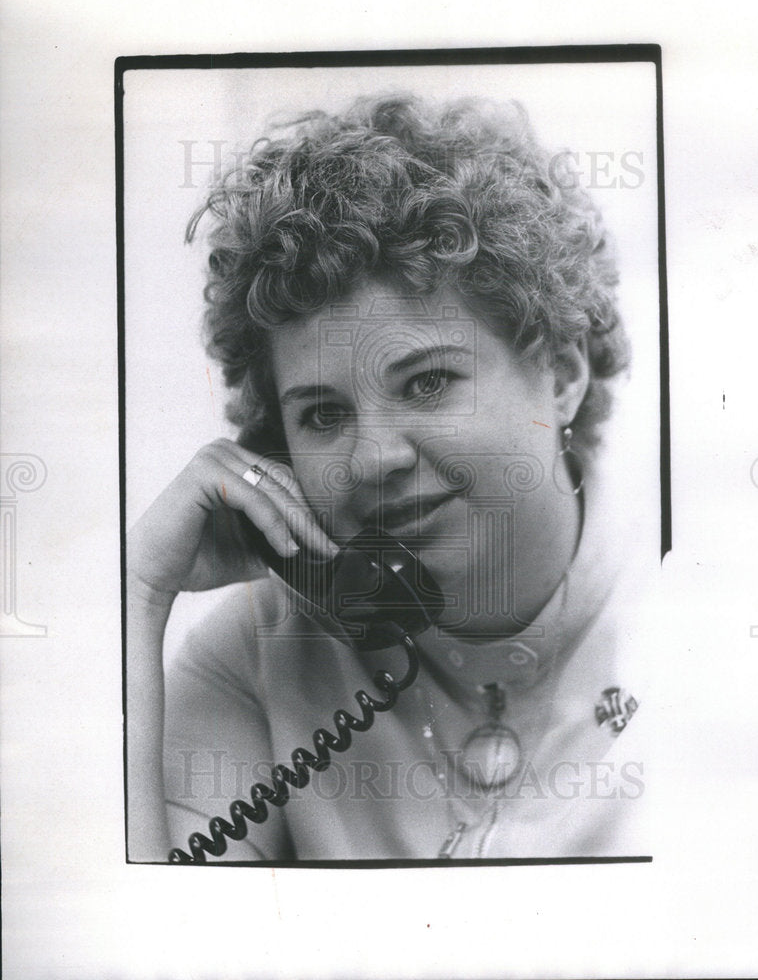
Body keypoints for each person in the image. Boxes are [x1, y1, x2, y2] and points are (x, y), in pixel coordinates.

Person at [126, 94, 649, 863]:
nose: (374, 459)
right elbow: (142, 955)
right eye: (323, 415)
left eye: (427, 383)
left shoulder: (698, 613)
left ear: (562, 375)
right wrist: (137, 593)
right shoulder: (254, 650)